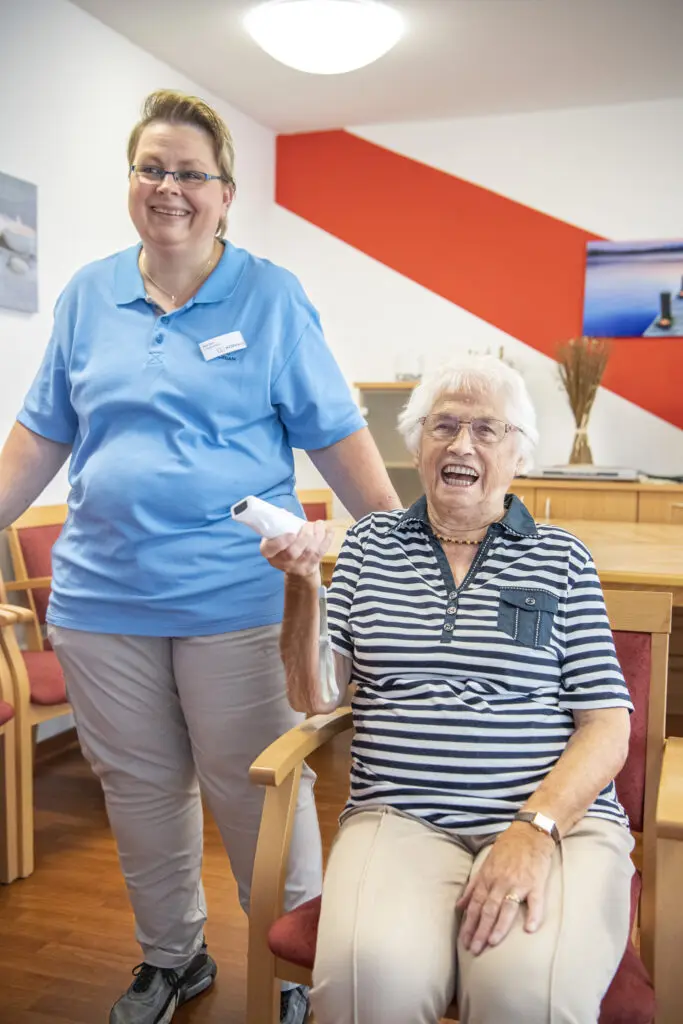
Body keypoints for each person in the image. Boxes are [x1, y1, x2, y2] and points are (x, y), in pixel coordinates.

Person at [0, 90, 400, 1024]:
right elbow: (38, 439)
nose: (167, 187)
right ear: (129, 183)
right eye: (151, 168)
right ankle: (171, 957)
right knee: (138, 792)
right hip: (102, 600)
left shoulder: (269, 295)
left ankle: (295, 970)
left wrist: (404, 549)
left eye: (189, 172)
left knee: (257, 791)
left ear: (225, 194)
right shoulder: (87, 294)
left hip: (238, 600)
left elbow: (340, 440)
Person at [264, 355, 635, 1024]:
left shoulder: (560, 557)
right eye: (444, 426)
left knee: (524, 994)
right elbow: (315, 695)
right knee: (366, 983)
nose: (462, 444)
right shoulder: (367, 547)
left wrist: (534, 829)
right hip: (401, 817)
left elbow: (605, 724)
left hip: (552, 824)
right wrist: (300, 586)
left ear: (517, 454)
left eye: (487, 430)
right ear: (416, 444)